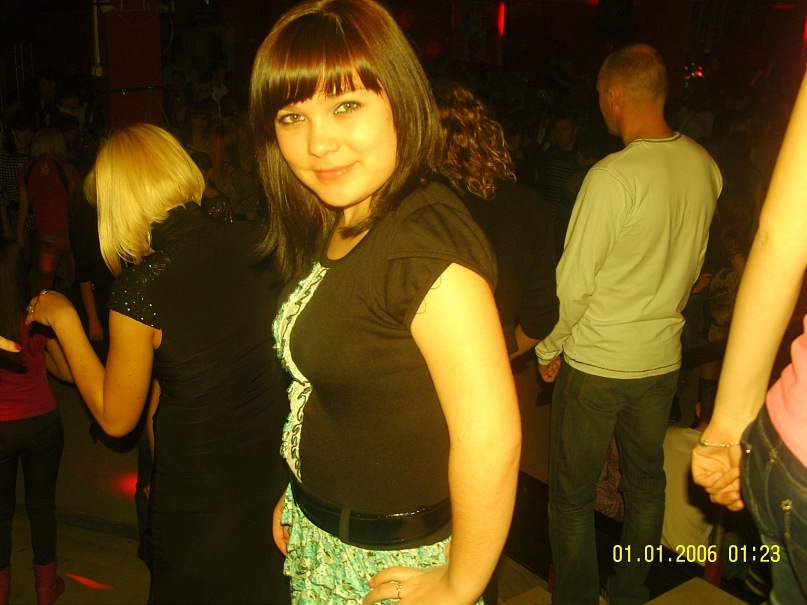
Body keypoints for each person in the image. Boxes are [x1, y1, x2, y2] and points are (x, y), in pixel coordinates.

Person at [249, 0, 522, 603]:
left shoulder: (420, 248)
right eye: (293, 117)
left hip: (388, 566)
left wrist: (460, 583)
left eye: (346, 106)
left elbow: (491, 441)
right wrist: (305, 497)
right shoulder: (348, 215)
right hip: (328, 536)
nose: (319, 143)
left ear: (400, 99)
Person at [24, 124, 290, 604]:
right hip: (267, 469)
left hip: (198, 488)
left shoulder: (141, 288)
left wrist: (64, 318)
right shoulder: (257, 240)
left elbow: (115, 418)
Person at [535, 44, 722, 604]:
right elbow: (693, 269)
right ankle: (629, 592)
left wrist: (549, 347)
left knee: (571, 498)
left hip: (597, 362)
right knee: (646, 487)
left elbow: (574, 283)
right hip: (660, 360)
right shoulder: (705, 166)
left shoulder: (611, 177)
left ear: (614, 96)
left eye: (600, 96)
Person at [692, 72, 807, 604]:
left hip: (791, 450)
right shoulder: (722, 184)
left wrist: (729, 423)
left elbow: (781, 235)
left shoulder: (735, 196)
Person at [432, 80, 558, 360]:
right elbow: (541, 317)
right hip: (482, 368)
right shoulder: (527, 206)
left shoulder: (415, 205)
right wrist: (493, 363)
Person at [1, 237, 73, 605]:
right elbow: (66, 372)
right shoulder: (34, 317)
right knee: (42, 507)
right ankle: (45, 591)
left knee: (0, 514)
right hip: (41, 424)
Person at [16, 127, 78, 293]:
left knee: (43, 285)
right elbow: (74, 204)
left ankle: (43, 309)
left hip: (47, 235)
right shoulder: (68, 169)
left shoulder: (26, 170)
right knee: (78, 279)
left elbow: (23, 208)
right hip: (70, 232)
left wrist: (19, 235)